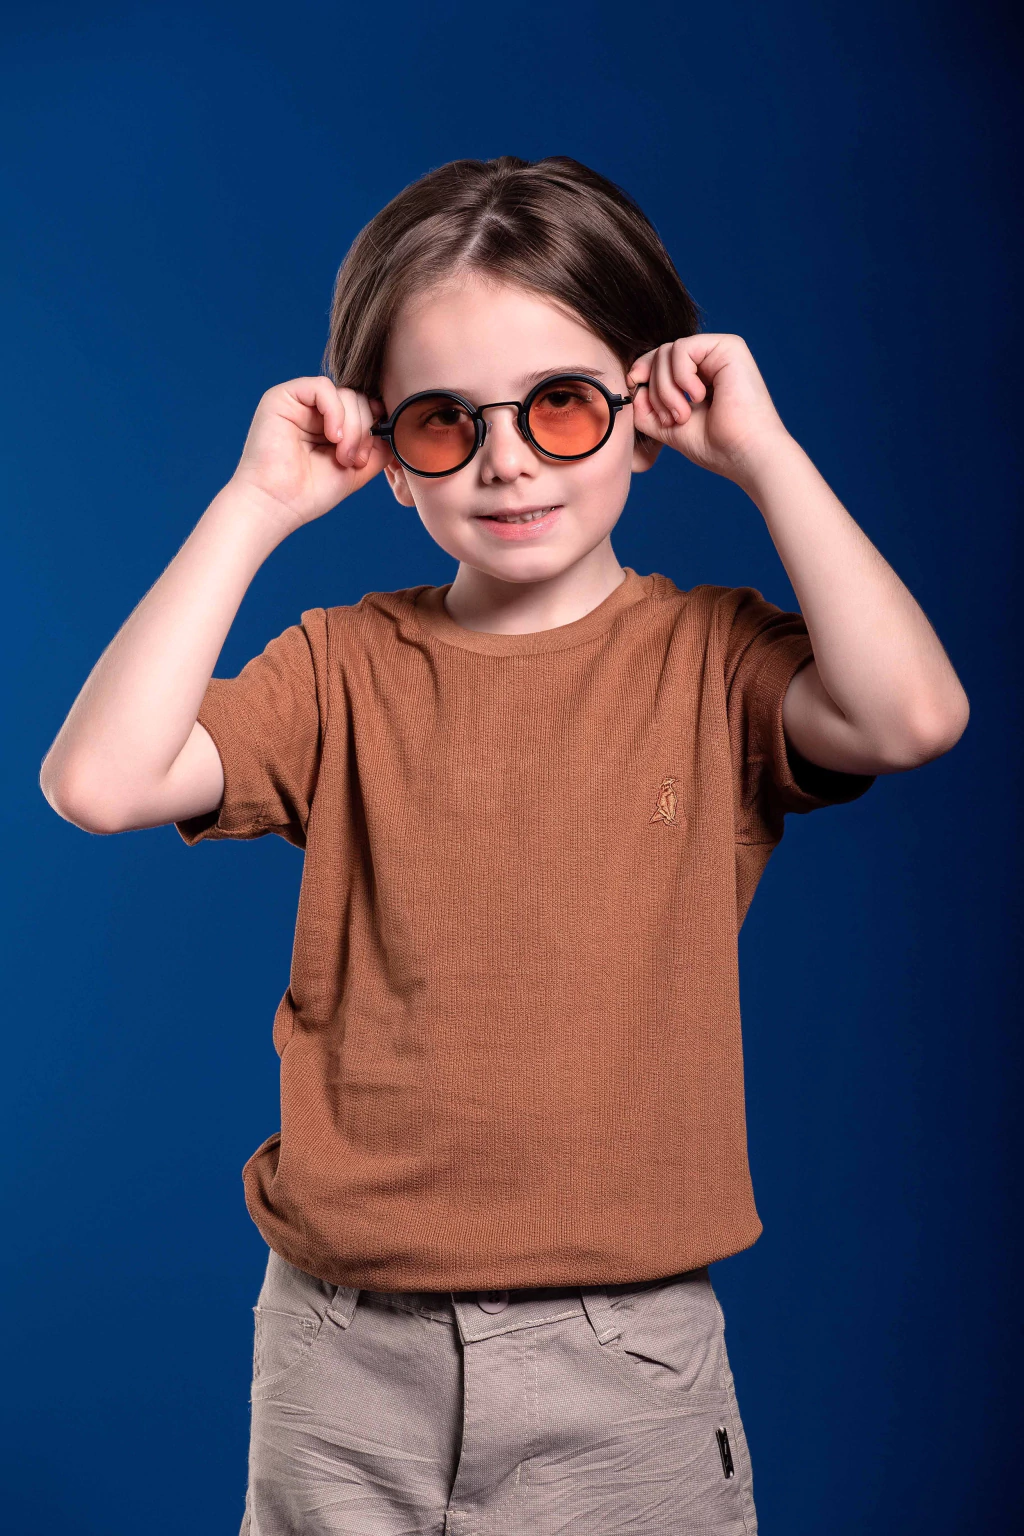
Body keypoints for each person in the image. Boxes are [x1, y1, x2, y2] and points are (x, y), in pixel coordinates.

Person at [39, 155, 969, 1535]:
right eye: (442, 422)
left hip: (628, 1362)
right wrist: (253, 507)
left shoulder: (713, 660)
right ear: (384, 453)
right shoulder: (341, 668)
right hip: (344, 1355)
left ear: (644, 418)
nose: (508, 458)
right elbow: (100, 781)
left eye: (563, 403)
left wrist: (768, 457)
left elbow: (912, 716)